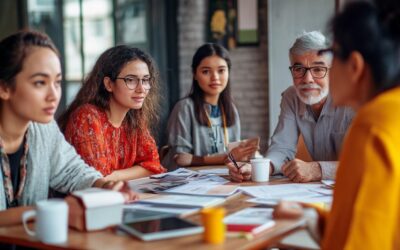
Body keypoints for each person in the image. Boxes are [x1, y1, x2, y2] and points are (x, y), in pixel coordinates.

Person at [274, 1, 400, 249]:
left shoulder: (372, 124)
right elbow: (369, 221)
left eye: (330, 59)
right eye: (299, 69)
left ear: (354, 66)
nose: (311, 78)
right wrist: (312, 218)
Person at [0, 30, 136, 226]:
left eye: (57, 82)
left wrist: (104, 186)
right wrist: (52, 211)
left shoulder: (43, 129)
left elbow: (72, 171)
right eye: (40, 83)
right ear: (4, 88)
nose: (53, 95)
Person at [228, 31, 354, 183]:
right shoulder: (291, 97)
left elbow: (365, 163)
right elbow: (282, 147)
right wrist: (261, 168)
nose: (307, 79)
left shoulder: (353, 100)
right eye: (298, 69)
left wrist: (317, 169)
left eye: (318, 69)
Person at [58, 46, 166, 181]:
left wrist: (115, 175)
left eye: (145, 80)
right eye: (131, 80)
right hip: (84, 200)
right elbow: (98, 179)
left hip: (119, 197)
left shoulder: (133, 118)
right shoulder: (87, 117)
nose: (141, 89)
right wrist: (129, 173)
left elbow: (154, 166)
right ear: (109, 84)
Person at [162, 43, 258, 170]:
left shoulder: (231, 109)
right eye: (206, 71)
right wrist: (226, 157)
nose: (215, 77)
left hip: (225, 179)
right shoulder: (184, 108)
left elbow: (235, 158)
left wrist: (244, 154)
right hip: (192, 183)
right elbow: (179, 158)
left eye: (221, 70)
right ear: (195, 74)